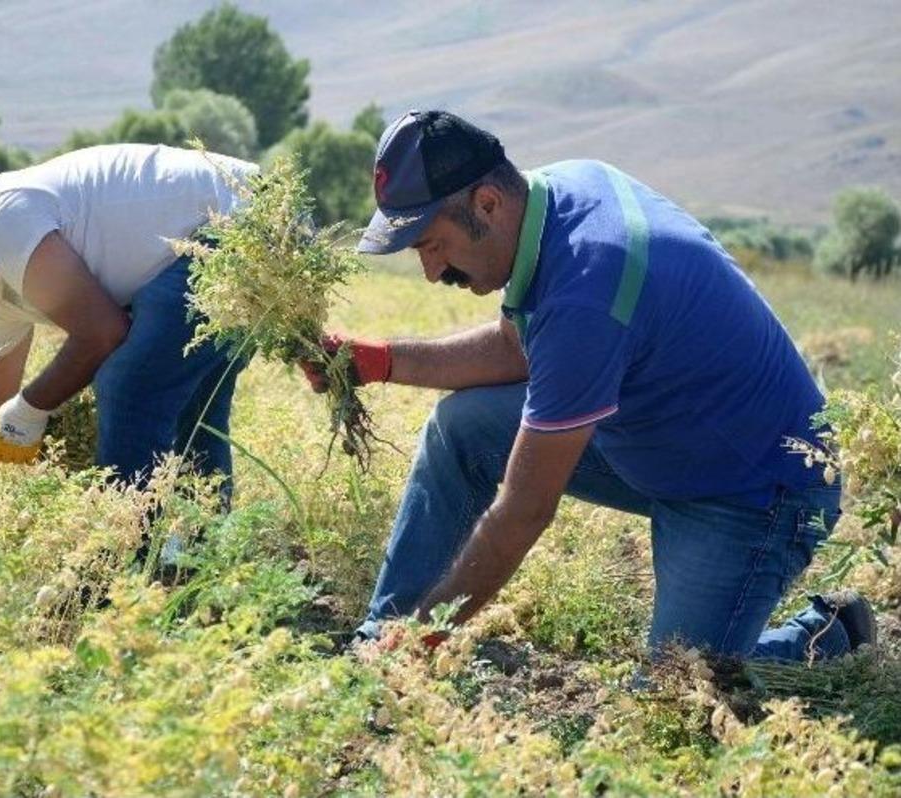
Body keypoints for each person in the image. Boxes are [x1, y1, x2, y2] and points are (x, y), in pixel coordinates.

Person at [308, 110, 875, 661]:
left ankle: (826, 635)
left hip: (754, 489)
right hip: (659, 438)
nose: (432, 272)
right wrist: (379, 361)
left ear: (487, 203)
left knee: (678, 685)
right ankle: (380, 637)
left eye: (432, 245)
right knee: (463, 430)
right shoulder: (557, 196)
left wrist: (426, 639)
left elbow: (524, 511)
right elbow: (516, 348)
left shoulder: (587, 286)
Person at [0, 143, 255, 493]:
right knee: (190, 402)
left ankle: (133, 540)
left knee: (127, 384)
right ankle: (200, 537)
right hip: (235, 229)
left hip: (241, 221)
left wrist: (30, 408)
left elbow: (103, 333)